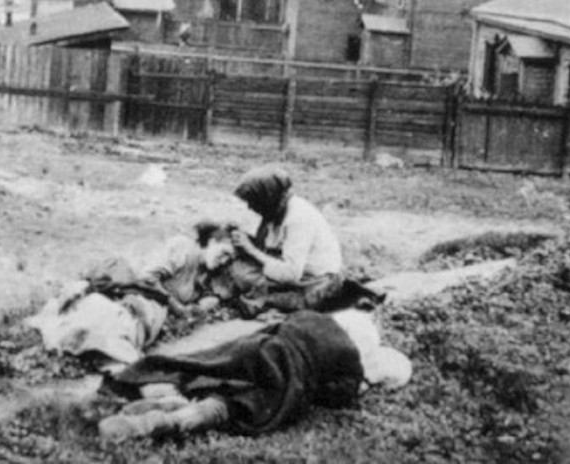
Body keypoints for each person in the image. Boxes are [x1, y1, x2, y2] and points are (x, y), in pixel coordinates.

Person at [98, 308, 412, 441]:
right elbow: (335, 395)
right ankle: (165, 421)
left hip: (260, 345)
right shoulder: (350, 364)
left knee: (210, 368)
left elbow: (272, 327)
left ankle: (165, 396)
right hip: (287, 370)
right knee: (243, 403)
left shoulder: (313, 319)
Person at [26, 223, 237, 366]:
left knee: (132, 332)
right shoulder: (184, 247)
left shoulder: (201, 277)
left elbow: (206, 300)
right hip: (143, 298)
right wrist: (176, 306)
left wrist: (205, 303)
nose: (225, 261)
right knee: (119, 322)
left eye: (229, 260)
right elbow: (148, 277)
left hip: (155, 313)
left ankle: (89, 344)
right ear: (210, 241)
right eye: (224, 252)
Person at [228, 165, 382, 316]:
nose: (250, 207)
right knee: (238, 271)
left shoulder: (298, 218)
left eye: (254, 202)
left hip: (317, 282)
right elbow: (270, 247)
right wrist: (245, 241)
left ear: (267, 199)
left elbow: (291, 273)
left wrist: (252, 250)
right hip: (298, 274)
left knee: (246, 282)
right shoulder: (276, 211)